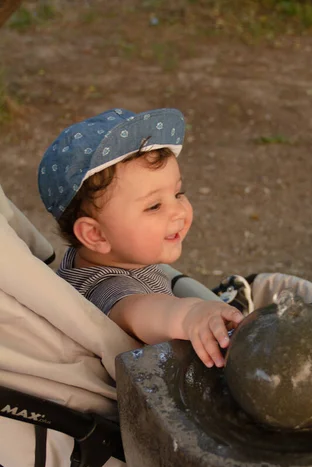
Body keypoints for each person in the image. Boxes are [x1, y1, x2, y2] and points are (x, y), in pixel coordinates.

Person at [38, 107, 244, 369]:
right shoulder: (107, 288)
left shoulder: (88, 258)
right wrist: (190, 315)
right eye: (154, 206)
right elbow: (142, 312)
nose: (179, 211)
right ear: (96, 234)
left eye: (179, 194)